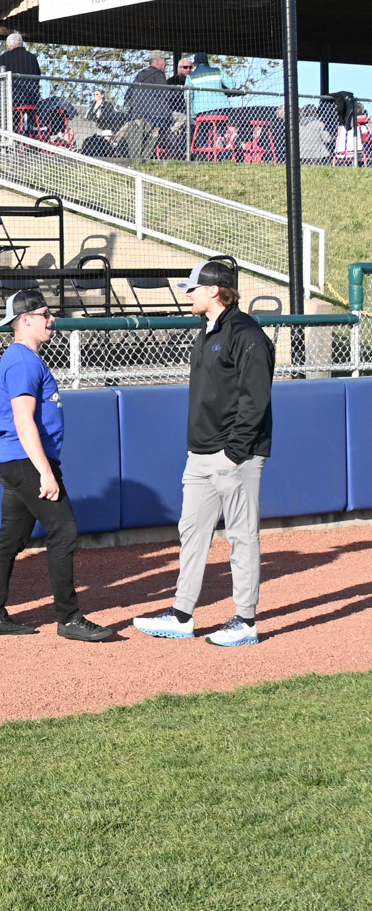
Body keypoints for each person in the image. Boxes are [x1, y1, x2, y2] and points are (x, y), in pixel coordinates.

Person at [135, 259, 273, 646]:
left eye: (193, 288)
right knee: (192, 532)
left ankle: (245, 621)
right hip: (200, 455)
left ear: (214, 290)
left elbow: (255, 400)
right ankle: (182, 615)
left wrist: (234, 452)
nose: (188, 294)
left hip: (235, 456)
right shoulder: (208, 329)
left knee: (242, 537)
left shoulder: (247, 334)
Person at [0, 291, 120, 643]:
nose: (51, 319)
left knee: (11, 540)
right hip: (27, 461)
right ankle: (69, 617)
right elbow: (24, 419)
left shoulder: (26, 358)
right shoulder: (23, 361)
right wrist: (45, 471)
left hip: (16, 461)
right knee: (64, 531)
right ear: (24, 319)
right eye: (44, 314)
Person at [0, 32, 43, 130]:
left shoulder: (6, 57)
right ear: (22, 43)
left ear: (8, 46)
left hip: (13, 100)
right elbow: (38, 75)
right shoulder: (32, 57)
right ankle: (29, 130)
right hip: (33, 99)